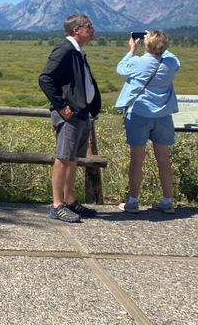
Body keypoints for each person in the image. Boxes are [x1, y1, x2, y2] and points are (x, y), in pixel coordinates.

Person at [38, 14, 101, 223]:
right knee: (63, 158)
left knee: (72, 159)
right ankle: (57, 205)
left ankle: (70, 201)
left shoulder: (77, 51)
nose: (92, 30)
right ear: (77, 30)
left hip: (80, 113)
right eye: (89, 27)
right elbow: (45, 78)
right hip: (70, 114)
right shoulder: (64, 50)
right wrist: (61, 106)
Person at [116, 30, 180, 214]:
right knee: (163, 159)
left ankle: (133, 201)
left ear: (147, 44)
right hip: (163, 116)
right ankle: (167, 200)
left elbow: (121, 68)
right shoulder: (171, 62)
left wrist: (132, 49)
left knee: (137, 159)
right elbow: (172, 57)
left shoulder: (138, 62)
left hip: (139, 115)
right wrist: (160, 45)